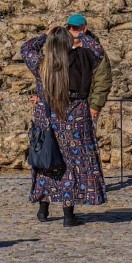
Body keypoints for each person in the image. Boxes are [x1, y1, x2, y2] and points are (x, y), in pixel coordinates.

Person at [22, 25, 108, 226]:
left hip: (46, 119)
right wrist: (83, 35)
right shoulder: (81, 58)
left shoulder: (41, 64)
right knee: (71, 164)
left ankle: (43, 209)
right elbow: (98, 52)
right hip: (75, 119)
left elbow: (26, 48)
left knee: (46, 161)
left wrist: (45, 35)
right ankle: (68, 215)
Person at [65, 13, 113, 123]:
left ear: (84, 29)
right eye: (69, 27)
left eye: (75, 28)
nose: (71, 31)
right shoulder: (61, 49)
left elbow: (103, 78)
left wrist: (95, 105)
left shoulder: (95, 51)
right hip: (63, 105)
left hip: (87, 104)